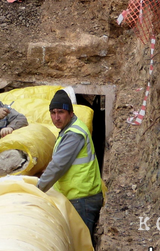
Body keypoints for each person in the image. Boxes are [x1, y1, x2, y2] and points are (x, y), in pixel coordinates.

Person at [37, 89, 102, 241]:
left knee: (81, 244)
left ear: (70, 113)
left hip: (82, 200)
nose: (56, 117)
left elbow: (57, 166)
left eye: (61, 112)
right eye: (53, 113)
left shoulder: (74, 134)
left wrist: (38, 189)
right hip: (77, 197)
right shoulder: (67, 130)